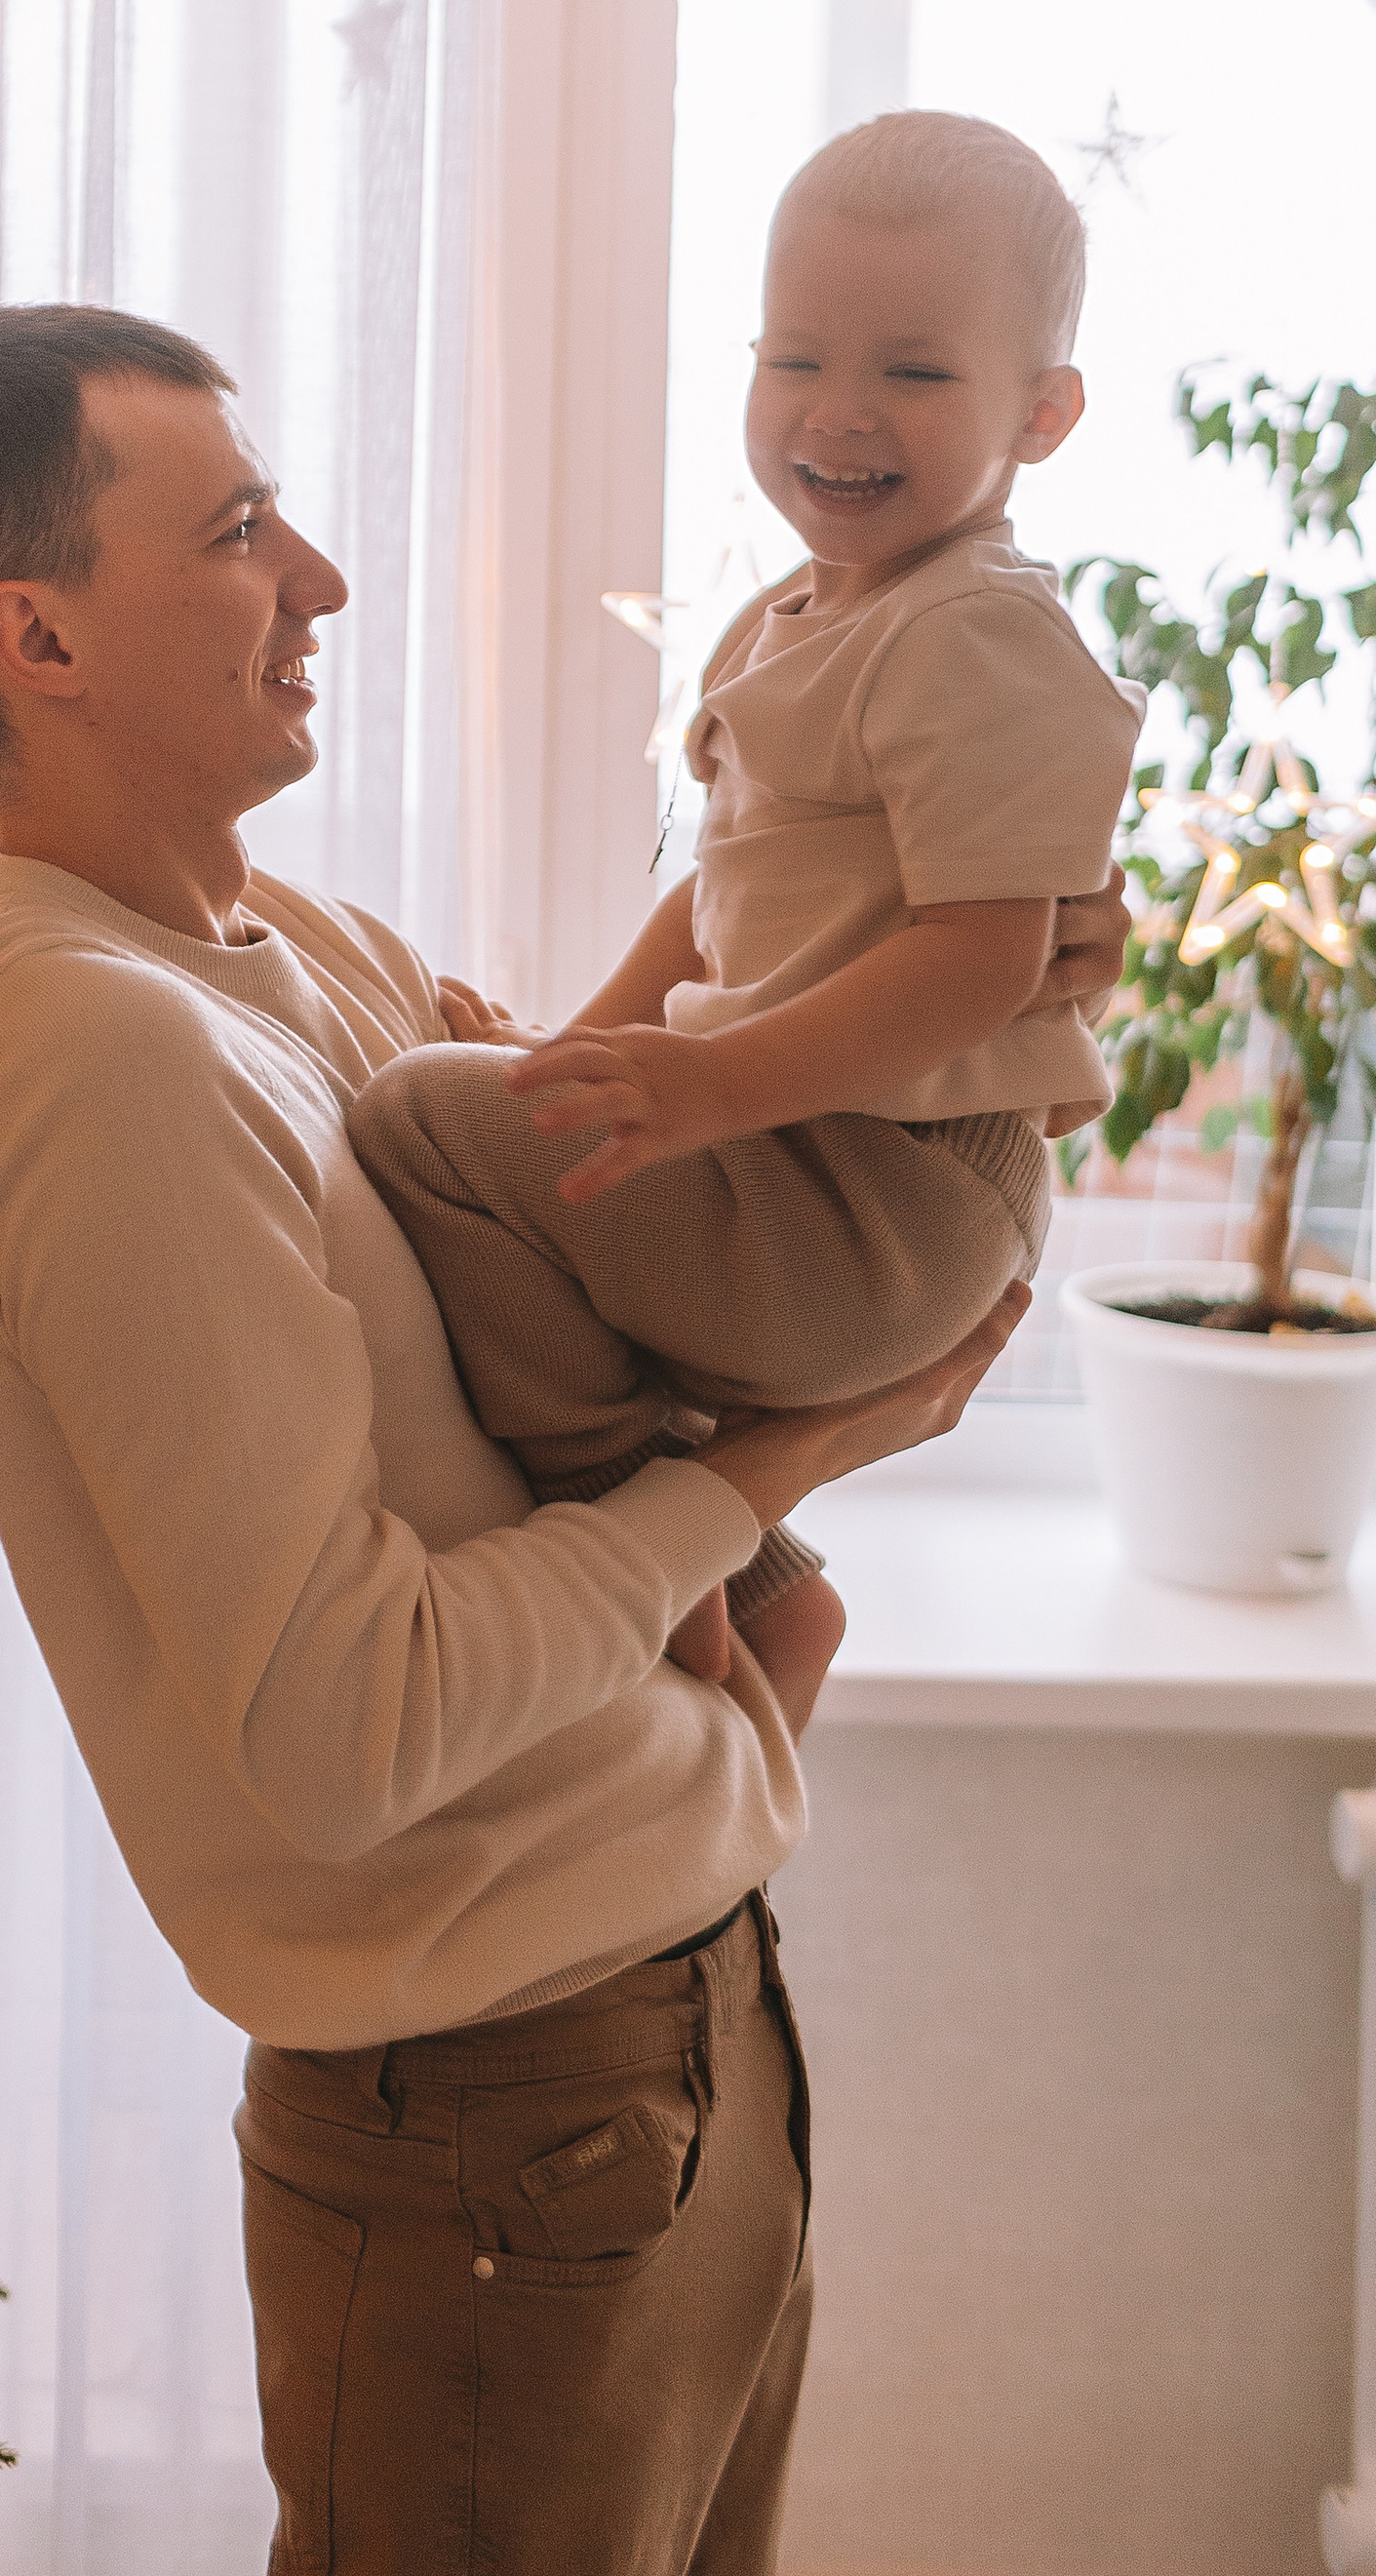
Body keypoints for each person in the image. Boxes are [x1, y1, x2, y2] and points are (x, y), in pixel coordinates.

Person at [0, 299, 1124, 2576]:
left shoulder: (282, 946)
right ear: (35, 635)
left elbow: (601, 1219)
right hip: (496, 2130)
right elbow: (343, 1727)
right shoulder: (78, 1059)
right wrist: (772, 1474)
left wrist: (939, 941)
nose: (314, 578)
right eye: (233, 531)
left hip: (672, 2029)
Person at [349, 112, 1146, 1689]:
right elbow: (716, 902)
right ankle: (762, 1578)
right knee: (467, 1120)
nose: (837, 414)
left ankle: (657, 1539)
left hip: (900, 1194)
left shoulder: (978, 632)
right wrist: (577, 1054)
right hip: (814, 1153)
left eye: (915, 373)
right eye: (794, 360)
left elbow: (985, 964)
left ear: (1043, 413)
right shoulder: (796, 616)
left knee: (415, 1129)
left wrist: (708, 1083)